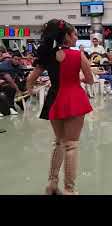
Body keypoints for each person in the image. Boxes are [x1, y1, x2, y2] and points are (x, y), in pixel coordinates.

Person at [26, 19, 93, 195]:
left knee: (59, 143)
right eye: (75, 34)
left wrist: (30, 90)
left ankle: (52, 183)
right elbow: (90, 79)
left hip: (54, 100)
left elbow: (30, 79)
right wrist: (78, 79)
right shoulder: (78, 55)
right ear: (67, 36)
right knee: (71, 145)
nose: (77, 37)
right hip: (74, 99)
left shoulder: (48, 55)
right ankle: (70, 190)